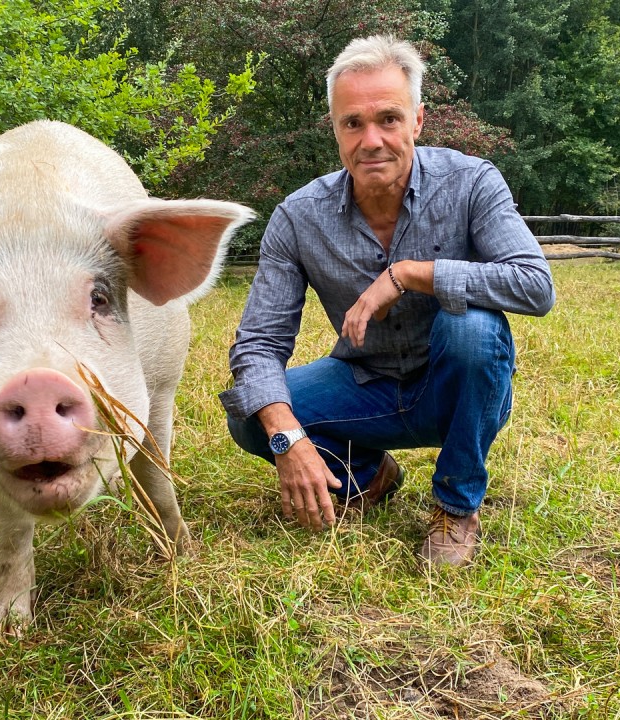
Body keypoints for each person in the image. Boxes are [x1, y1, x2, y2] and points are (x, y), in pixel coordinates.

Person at [219, 35, 555, 566]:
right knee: (251, 414)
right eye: (353, 123)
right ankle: (370, 475)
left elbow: (534, 285)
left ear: (418, 121)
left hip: (455, 385)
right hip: (364, 384)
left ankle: (455, 504)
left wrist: (410, 274)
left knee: (471, 330)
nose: (371, 139)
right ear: (335, 129)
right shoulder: (297, 217)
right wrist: (287, 439)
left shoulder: (471, 183)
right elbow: (259, 343)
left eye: (389, 119)